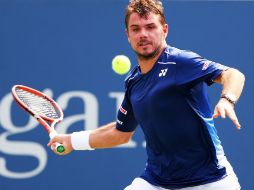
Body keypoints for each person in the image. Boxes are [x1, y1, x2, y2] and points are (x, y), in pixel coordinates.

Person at [48, 0, 245, 189]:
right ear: (127, 35)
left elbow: (233, 75)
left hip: (210, 181)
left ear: (165, 30)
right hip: (157, 181)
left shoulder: (180, 62)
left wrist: (227, 100)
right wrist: (73, 141)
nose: (143, 34)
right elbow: (120, 133)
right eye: (136, 29)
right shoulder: (133, 81)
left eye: (150, 27)